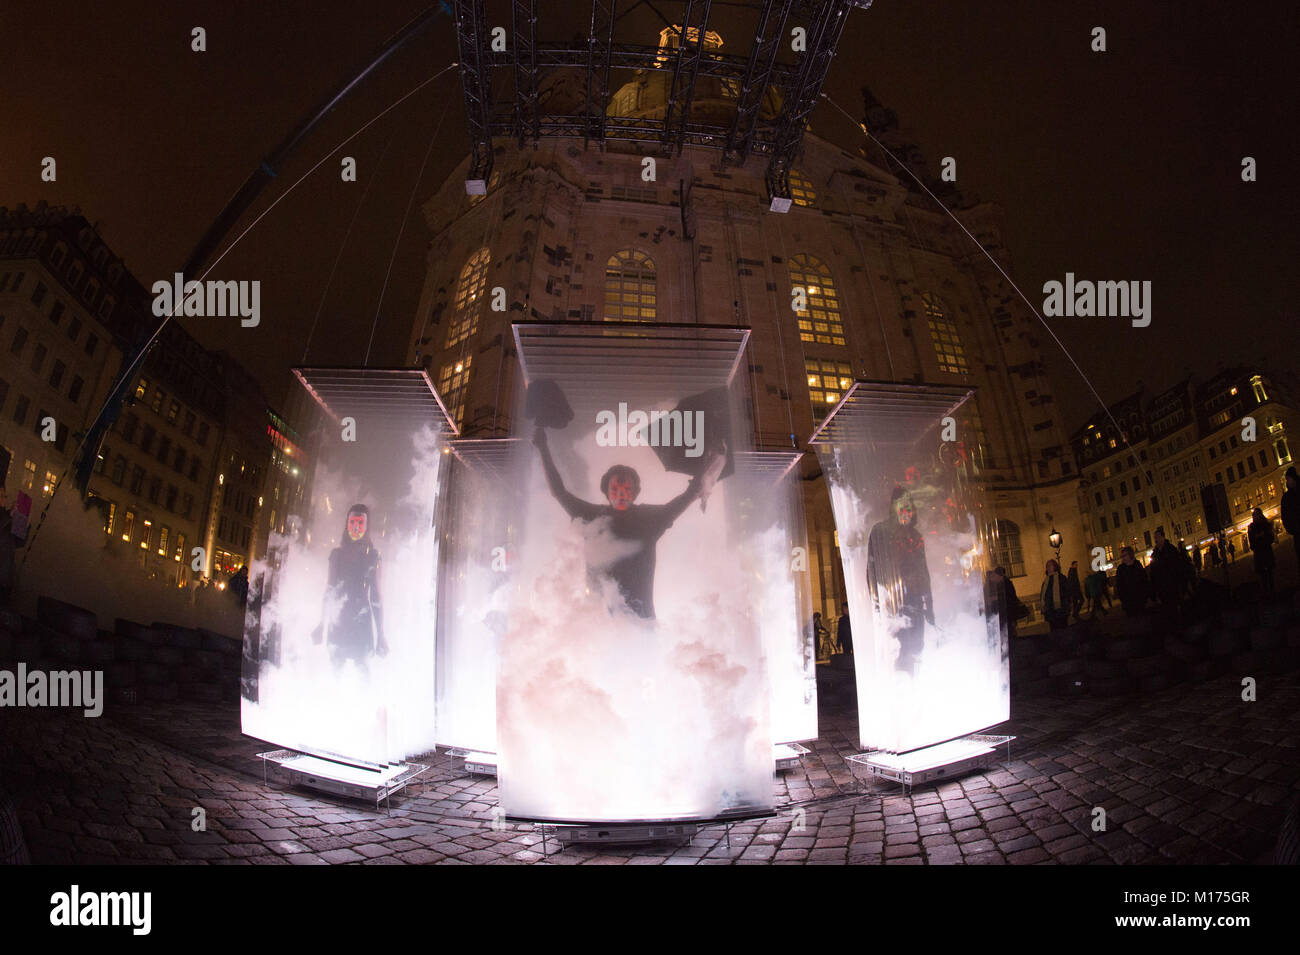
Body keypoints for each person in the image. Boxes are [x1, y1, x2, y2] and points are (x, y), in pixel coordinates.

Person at [534, 427, 727, 619]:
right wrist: (543, 448)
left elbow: (689, 495)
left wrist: (713, 461)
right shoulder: (591, 515)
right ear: (606, 491)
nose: (621, 493)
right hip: (597, 623)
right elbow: (559, 492)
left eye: (627, 488)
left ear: (635, 492)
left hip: (640, 621)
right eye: (616, 488)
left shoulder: (649, 519)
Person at [867, 487, 933, 675]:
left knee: (916, 646)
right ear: (893, 508)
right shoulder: (880, 531)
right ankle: (902, 685)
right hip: (892, 602)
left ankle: (913, 683)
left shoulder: (915, 536)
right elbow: (872, 569)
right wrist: (877, 603)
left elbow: (923, 570)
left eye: (909, 508)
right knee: (898, 649)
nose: (906, 512)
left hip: (914, 601)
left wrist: (929, 605)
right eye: (902, 507)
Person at [313, 503, 387, 668]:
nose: (356, 527)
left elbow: (376, 596)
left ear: (367, 527)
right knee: (336, 671)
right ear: (347, 524)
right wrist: (321, 624)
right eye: (353, 522)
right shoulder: (337, 555)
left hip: (361, 621)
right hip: (339, 619)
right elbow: (329, 590)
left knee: (363, 673)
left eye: (360, 523)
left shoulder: (373, 556)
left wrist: (381, 635)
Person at [1149, 529, 1189, 608]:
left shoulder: (1171, 550)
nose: (1156, 539)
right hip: (1162, 590)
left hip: (1173, 587)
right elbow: (1153, 574)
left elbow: (1179, 569)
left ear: (1163, 537)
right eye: (1155, 537)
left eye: (1157, 537)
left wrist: (1182, 587)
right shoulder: (1155, 554)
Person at [1247, 507, 1276, 598]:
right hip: (1260, 554)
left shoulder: (1265, 525)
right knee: (1264, 577)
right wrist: (1259, 538)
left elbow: (1271, 538)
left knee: (1269, 575)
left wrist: (1262, 539)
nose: (1254, 517)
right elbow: (1252, 544)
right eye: (1254, 515)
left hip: (1266, 552)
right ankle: (1268, 594)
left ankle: (1271, 593)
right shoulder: (1252, 527)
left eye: (1256, 515)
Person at [991, 565, 1026, 638]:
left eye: (995, 575)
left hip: (1008, 612)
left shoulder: (1006, 583)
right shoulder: (1002, 583)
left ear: (999, 575)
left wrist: (996, 598)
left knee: (1009, 631)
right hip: (1006, 612)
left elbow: (1009, 597)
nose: (994, 577)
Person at [1114, 546, 1150, 615]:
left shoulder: (1137, 565)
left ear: (1130, 555)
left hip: (1140, 600)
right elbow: (1119, 585)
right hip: (1128, 602)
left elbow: (1144, 580)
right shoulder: (1120, 569)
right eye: (1122, 556)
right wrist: (1123, 600)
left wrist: (1145, 595)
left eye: (1124, 555)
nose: (1123, 558)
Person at [1039, 558, 1070, 630]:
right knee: (1054, 632)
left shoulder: (1061, 578)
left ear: (1055, 566)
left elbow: (1067, 593)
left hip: (1061, 610)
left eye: (1050, 565)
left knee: (1063, 630)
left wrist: (1067, 606)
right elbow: (1043, 596)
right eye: (1047, 566)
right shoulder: (1046, 581)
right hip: (1050, 612)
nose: (1048, 568)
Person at [1282, 466, 1300, 568]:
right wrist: (1294, 529)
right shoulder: (1287, 498)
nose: (1287, 482)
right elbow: (1286, 518)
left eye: (1288, 479)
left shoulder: (1287, 498)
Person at [0, 487, 14, 608]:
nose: (3, 499)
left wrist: (25, 523)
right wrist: (10, 515)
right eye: (1, 495)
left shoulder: (6, 516)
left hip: (5, 576)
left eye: (4, 496)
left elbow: (18, 542)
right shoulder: (6, 517)